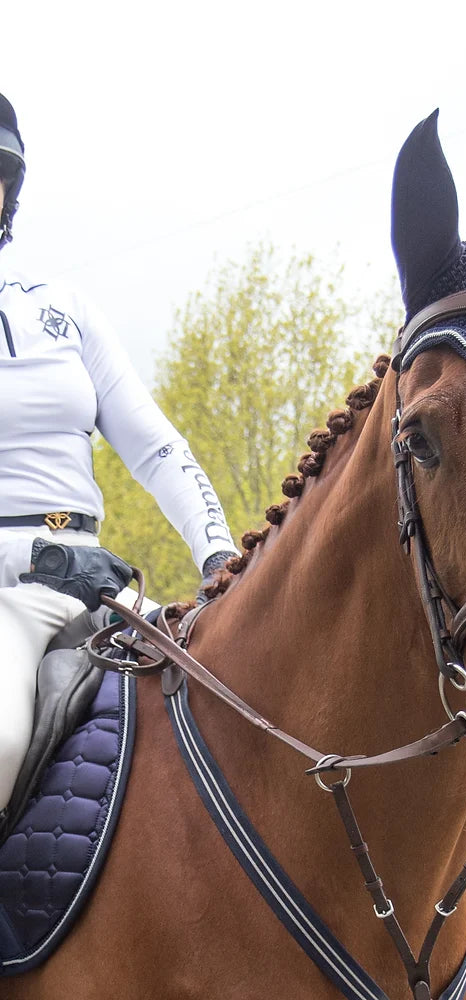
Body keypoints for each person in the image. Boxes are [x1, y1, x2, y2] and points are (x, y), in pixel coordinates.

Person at [0, 91, 239, 815]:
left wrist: (220, 554)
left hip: (89, 576)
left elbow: (157, 448)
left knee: (234, 693)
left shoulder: (63, 311)